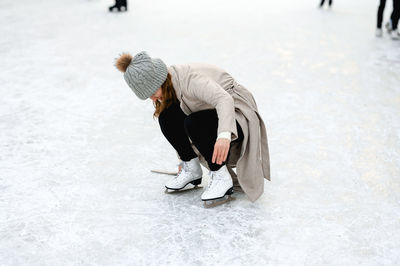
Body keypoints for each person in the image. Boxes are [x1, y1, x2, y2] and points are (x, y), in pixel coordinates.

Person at [114, 51, 270, 206]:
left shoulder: (190, 80)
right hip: (212, 109)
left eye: (153, 93)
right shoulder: (170, 84)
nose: (153, 99)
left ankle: (221, 176)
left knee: (194, 123)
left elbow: (224, 100)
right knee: (166, 116)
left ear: (161, 81)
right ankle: (191, 169)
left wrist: (224, 135)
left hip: (236, 110)